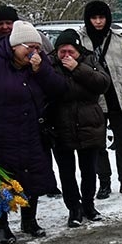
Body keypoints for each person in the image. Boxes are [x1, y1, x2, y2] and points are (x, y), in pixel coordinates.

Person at [0, 21, 66, 243]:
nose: (34, 52)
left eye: (37, 47)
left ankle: (29, 220)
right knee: (0, 183)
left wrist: (41, 71)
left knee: (32, 178)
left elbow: (58, 89)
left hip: (31, 133)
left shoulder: (39, 65)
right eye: (30, 47)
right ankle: (1, 225)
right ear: (15, 45)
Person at [49, 29, 111, 227]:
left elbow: (103, 83)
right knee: (66, 172)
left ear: (78, 51)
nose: (66, 56)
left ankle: (89, 205)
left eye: (71, 52)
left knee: (89, 170)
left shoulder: (90, 61)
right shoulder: (50, 64)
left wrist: (78, 69)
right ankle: (73, 209)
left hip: (88, 124)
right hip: (61, 125)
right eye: (62, 52)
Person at [80, 0, 122, 200]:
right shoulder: (81, 40)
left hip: (118, 99)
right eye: (94, 18)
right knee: (98, 145)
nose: (98, 22)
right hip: (94, 100)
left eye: (102, 17)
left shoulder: (120, 39)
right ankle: (104, 182)